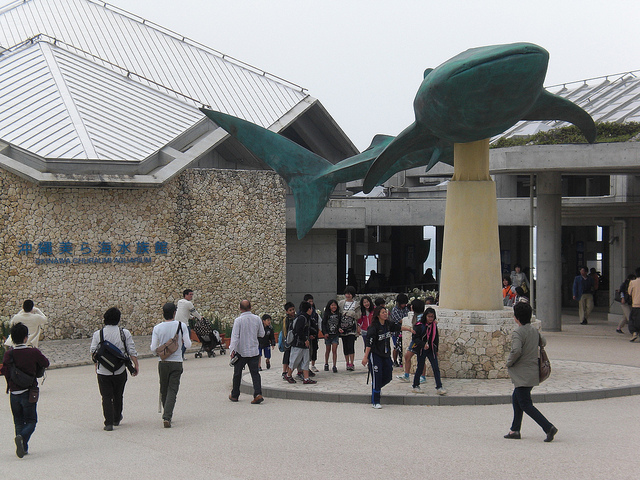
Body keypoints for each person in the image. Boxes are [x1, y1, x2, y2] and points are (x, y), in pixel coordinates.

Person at [504, 302, 558, 442]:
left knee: (525, 404)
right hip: (532, 371)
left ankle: (548, 427)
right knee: (517, 398)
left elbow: (516, 350)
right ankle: (514, 430)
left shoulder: (518, 332)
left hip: (522, 373)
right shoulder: (534, 330)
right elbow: (543, 342)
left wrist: (509, 362)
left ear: (516, 318)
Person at [1, 322, 50, 458]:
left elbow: (5, 371)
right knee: (31, 421)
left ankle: (23, 447)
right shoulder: (33, 352)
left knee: (18, 421)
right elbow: (46, 363)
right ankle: (22, 439)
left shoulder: (8, 355)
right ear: (25, 338)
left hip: (14, 393)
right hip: (29, 392)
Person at [89, 307, 139, 431]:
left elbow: (93, 351)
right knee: (118, 395)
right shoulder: (124, 333)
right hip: (120, 369)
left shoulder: (98, 334)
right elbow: (131, 350)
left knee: (106, 396)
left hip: (103, 371)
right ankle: (117, 417)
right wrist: (135, 365)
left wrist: (96, 364)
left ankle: (108, 423)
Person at [150, 302, 191, 428]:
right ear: (174, 313)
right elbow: (188, 345)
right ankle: (167, 416)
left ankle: (166, 412)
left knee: (164, 388)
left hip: (163, 362)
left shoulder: (157, 328)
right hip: (177, 361)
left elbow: (153, 348)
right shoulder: (181, 325)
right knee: (173, 389)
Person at [362, 305, 402, 409]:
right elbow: (369, 343)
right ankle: (376, 401)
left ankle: (376, 385)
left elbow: (398, 327)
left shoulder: (388, 324)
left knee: (388, 376)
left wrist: (410, 329)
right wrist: (365, 357)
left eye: (386, 312)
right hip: (375, 355)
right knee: (377, 376)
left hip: (386, 354)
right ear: (378, 315)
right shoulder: (373, 327)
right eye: (383, 312)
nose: (385, 314)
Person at [229, 300, 265, 403]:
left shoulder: (238, 320)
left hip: (241, 352)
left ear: (240, 308)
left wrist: (232, 350)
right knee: (255, 373)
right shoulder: (257, 319)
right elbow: (261, 334)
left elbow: (235, 337)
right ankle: (257, 394)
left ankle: (235, 394)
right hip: (254, 351)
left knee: (237, 373)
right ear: (250, 307)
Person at [409, 307, 446, 395]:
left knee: (436, 367)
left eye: (432, 317)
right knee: (420, 367)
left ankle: (439, 386)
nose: (430, 318)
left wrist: (436, 349)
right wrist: (423, 344)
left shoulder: (433, 326)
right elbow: (415, 338)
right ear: (425, 316)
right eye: (429, 316)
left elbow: (436, 338)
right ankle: (415, 385)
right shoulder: (419, 326)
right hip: (422, 349)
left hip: (431, 349)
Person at [397, 299, 427, 384]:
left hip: (418, 341)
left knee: (420, 359)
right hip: (414, 340)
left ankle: (423, 376)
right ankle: (407, 375)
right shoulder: (415, 316)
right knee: (407, 357)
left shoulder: (421, 318)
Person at [286, 301, 317, 384]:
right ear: (309, 309)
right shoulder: (302, 318)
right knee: (294, 360)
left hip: (304, 344)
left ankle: (306, 378)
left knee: (306, 361)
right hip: (298, 344)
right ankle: (288, 375)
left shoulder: (304, 317)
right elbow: (298, 330)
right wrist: (305, 339)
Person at [175, 289, 202, 360]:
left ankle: (177, 354)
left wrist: (191, 317)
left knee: (179, 340)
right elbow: (194, 312)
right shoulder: (188, 303)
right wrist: (200, 318)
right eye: (190, 294)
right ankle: (181, 355)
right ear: (186, 295)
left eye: (192, 294)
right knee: (187, 340)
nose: (191, 296)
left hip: (176, 324)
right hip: (184, 324)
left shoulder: (179, 302)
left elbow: (183, 312)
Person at [322, 299, 341, 372]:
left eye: (335, 305)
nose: (334, 306)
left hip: (335, 334)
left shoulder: (338, 314)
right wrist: (325, 333)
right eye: (332, 305)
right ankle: (326, 363)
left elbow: (339, 323)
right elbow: (323, 324)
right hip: (328, 334)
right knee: (328, 350)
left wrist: (339, 329)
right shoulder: (326, 314)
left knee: (334, 350)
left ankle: (334, 365)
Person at [390, 293, 409, 367]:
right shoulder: (395, 310)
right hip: (396, 332)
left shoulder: (406, 309)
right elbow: (400, 320)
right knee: (396, 347)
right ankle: (395, 360)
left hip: (404, 331)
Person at [304, 294, 321, 373]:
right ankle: (305, 367)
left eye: (312, 301)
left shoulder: (315, 313)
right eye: (309, 301)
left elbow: (320, 323)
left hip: (314, 335)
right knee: (307, 352)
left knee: (314, 349)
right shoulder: (303, 313)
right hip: (307, 336)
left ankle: (313, 365)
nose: (311, 303)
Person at [281, 302, 296, 382]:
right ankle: (284, 371)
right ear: (287, 311)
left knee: (292, 356)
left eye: (293, 309)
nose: (292, 311)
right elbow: (284, 331)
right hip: (288, 341)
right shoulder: (286, 320)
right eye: (290, 310)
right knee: (287, 356)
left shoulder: (296, 318)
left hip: (294, 341)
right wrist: (287, 341)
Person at [626, 267, 640, 342]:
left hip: (636, 304)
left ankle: (634, 333)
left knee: (633, 320)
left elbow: (629, 293)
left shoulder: (633, 282)